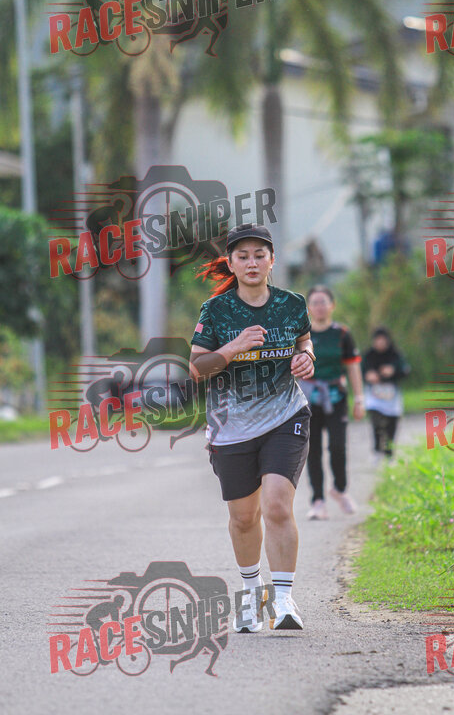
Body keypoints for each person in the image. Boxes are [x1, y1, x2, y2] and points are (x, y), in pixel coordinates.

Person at [189, 223, 315, 632]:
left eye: (259, 255)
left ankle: (284, 600)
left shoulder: (292, 304)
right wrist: (233, 347)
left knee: (277, 505)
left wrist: (307, 356)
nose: (252, 263)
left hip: (285, 416)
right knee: (244, 518)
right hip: (232, 427)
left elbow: (304, 340)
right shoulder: (216, 311)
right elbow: (197, 368)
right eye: (242, 256)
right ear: (231, 263)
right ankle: (250, 592)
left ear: (272, 260)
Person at [299, 286, 364, 521]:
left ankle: (340, 489)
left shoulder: (342, 334)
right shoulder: (302, 335)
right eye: (315, 303)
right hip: (309, 399)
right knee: (313, 449)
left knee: (338, 445)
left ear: (332, 305)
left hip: (336, 397)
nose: (319, 307)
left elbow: (353, 366)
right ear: (309, 308)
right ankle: (318, 500)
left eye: (323, 302)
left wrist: (359, 399)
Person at [362, 327, 409, 459]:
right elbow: (360, 370)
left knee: (391, 423)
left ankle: (389, 451)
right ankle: (377, 449)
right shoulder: (368, 355)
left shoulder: (395, 355)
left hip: (391, 394)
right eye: (378, 340)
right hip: (374, 394)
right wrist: (368, 375)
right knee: (376, 421)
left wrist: (393, 371)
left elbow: (405, 370)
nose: (380, 343)